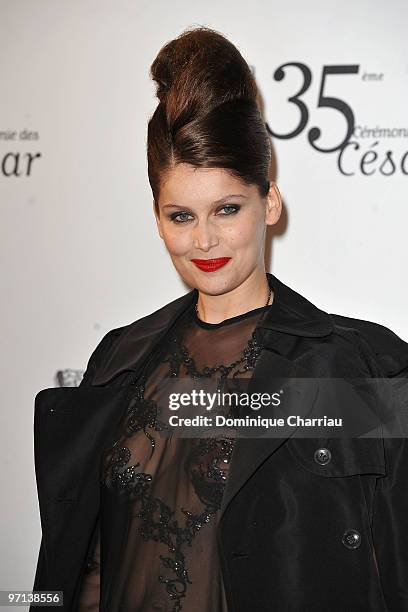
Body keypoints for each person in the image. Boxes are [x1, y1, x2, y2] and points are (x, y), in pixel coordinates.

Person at [31, 26, 408, 612]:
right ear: (157, 218)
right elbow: (80, 564)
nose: (203, 239)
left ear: (271, 203)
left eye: (227, 209)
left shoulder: (361, 369)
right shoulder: (118, 359)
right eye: (181, 215)